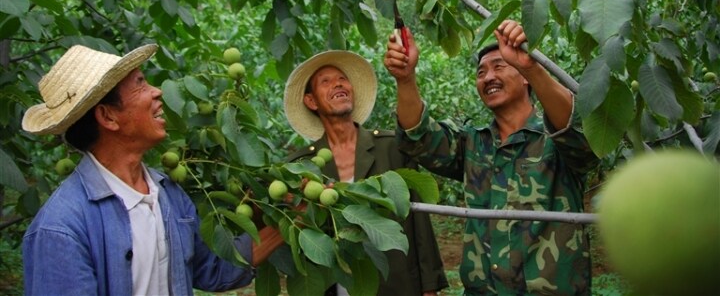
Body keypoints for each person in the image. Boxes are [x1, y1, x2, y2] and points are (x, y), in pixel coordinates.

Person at [21, 43, 284, 296]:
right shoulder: (60, 227)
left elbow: (214, 269)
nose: (157, 91)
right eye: (140, 84)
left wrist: (290, 220)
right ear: (108, 117)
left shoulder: (168, 193)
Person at [384, 20, 600, 295]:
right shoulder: (473, 143)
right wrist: (405, 79)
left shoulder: (554, 140)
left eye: (499, 66)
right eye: (481, 72)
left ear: (524, 77)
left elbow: (581, 136)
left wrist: (532, 67)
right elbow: (419, 138)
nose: (488, 78)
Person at [284, 50, 448, 296]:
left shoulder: (391, 147)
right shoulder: (302, 166)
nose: (338, 84)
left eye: (342, 78)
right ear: (311, 101)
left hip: (396, 285)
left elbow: (419, 222)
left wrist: (430, 286)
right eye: (326, 81)